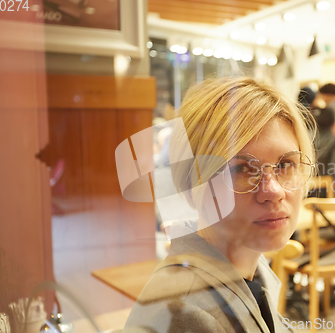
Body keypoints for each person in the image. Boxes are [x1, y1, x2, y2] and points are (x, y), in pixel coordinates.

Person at [124, 77, 315, 333]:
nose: (273, 191)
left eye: (285, 165)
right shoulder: (185, 314)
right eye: (240, 169)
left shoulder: (253, 268)